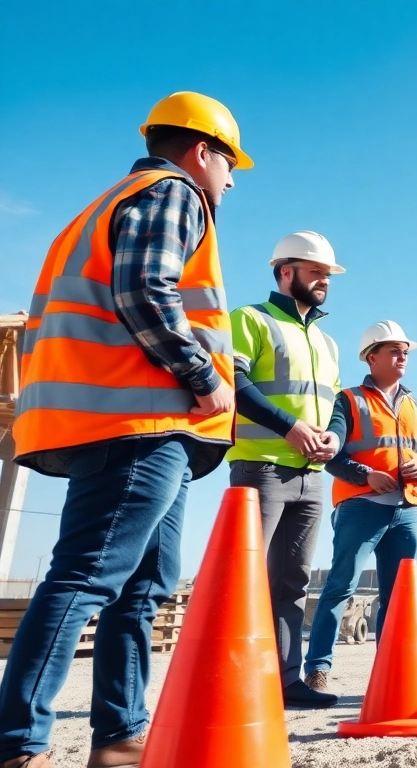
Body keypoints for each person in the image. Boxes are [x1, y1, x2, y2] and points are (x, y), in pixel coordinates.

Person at [2, 92, 248, 768]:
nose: (230, 183)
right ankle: (18, 744)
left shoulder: (99, 207)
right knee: (87, 577)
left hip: (122, 421)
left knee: (144, 584)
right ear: (203, 153)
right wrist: (204, 377)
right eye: (231, 167)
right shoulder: (175, 192)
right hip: (139, 420)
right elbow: (144, 289)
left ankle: (118, 736)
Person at [227, 231, 343, 708]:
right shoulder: (250, 319)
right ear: (285, 271)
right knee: (244, 579)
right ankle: (236, 687)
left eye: (328, 276)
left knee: (292, 583)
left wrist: (333, 434)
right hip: (261, 469)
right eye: (316, 272)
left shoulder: (326, 340)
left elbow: (335, 404)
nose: (323, 282)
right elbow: (230, 380)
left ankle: (284, 683)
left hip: (311, 476)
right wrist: (290, 426)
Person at [303, 321, 417, 692]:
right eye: (394, 350)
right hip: (360, 507)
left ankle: (391, 672)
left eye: (405, 351)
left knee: (398, 596)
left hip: (407, 510)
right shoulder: (348, 400)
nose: (402, 357)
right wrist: (364, 475)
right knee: (340, 587)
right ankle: (317, 670)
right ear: (371, 357)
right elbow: (331, 456)